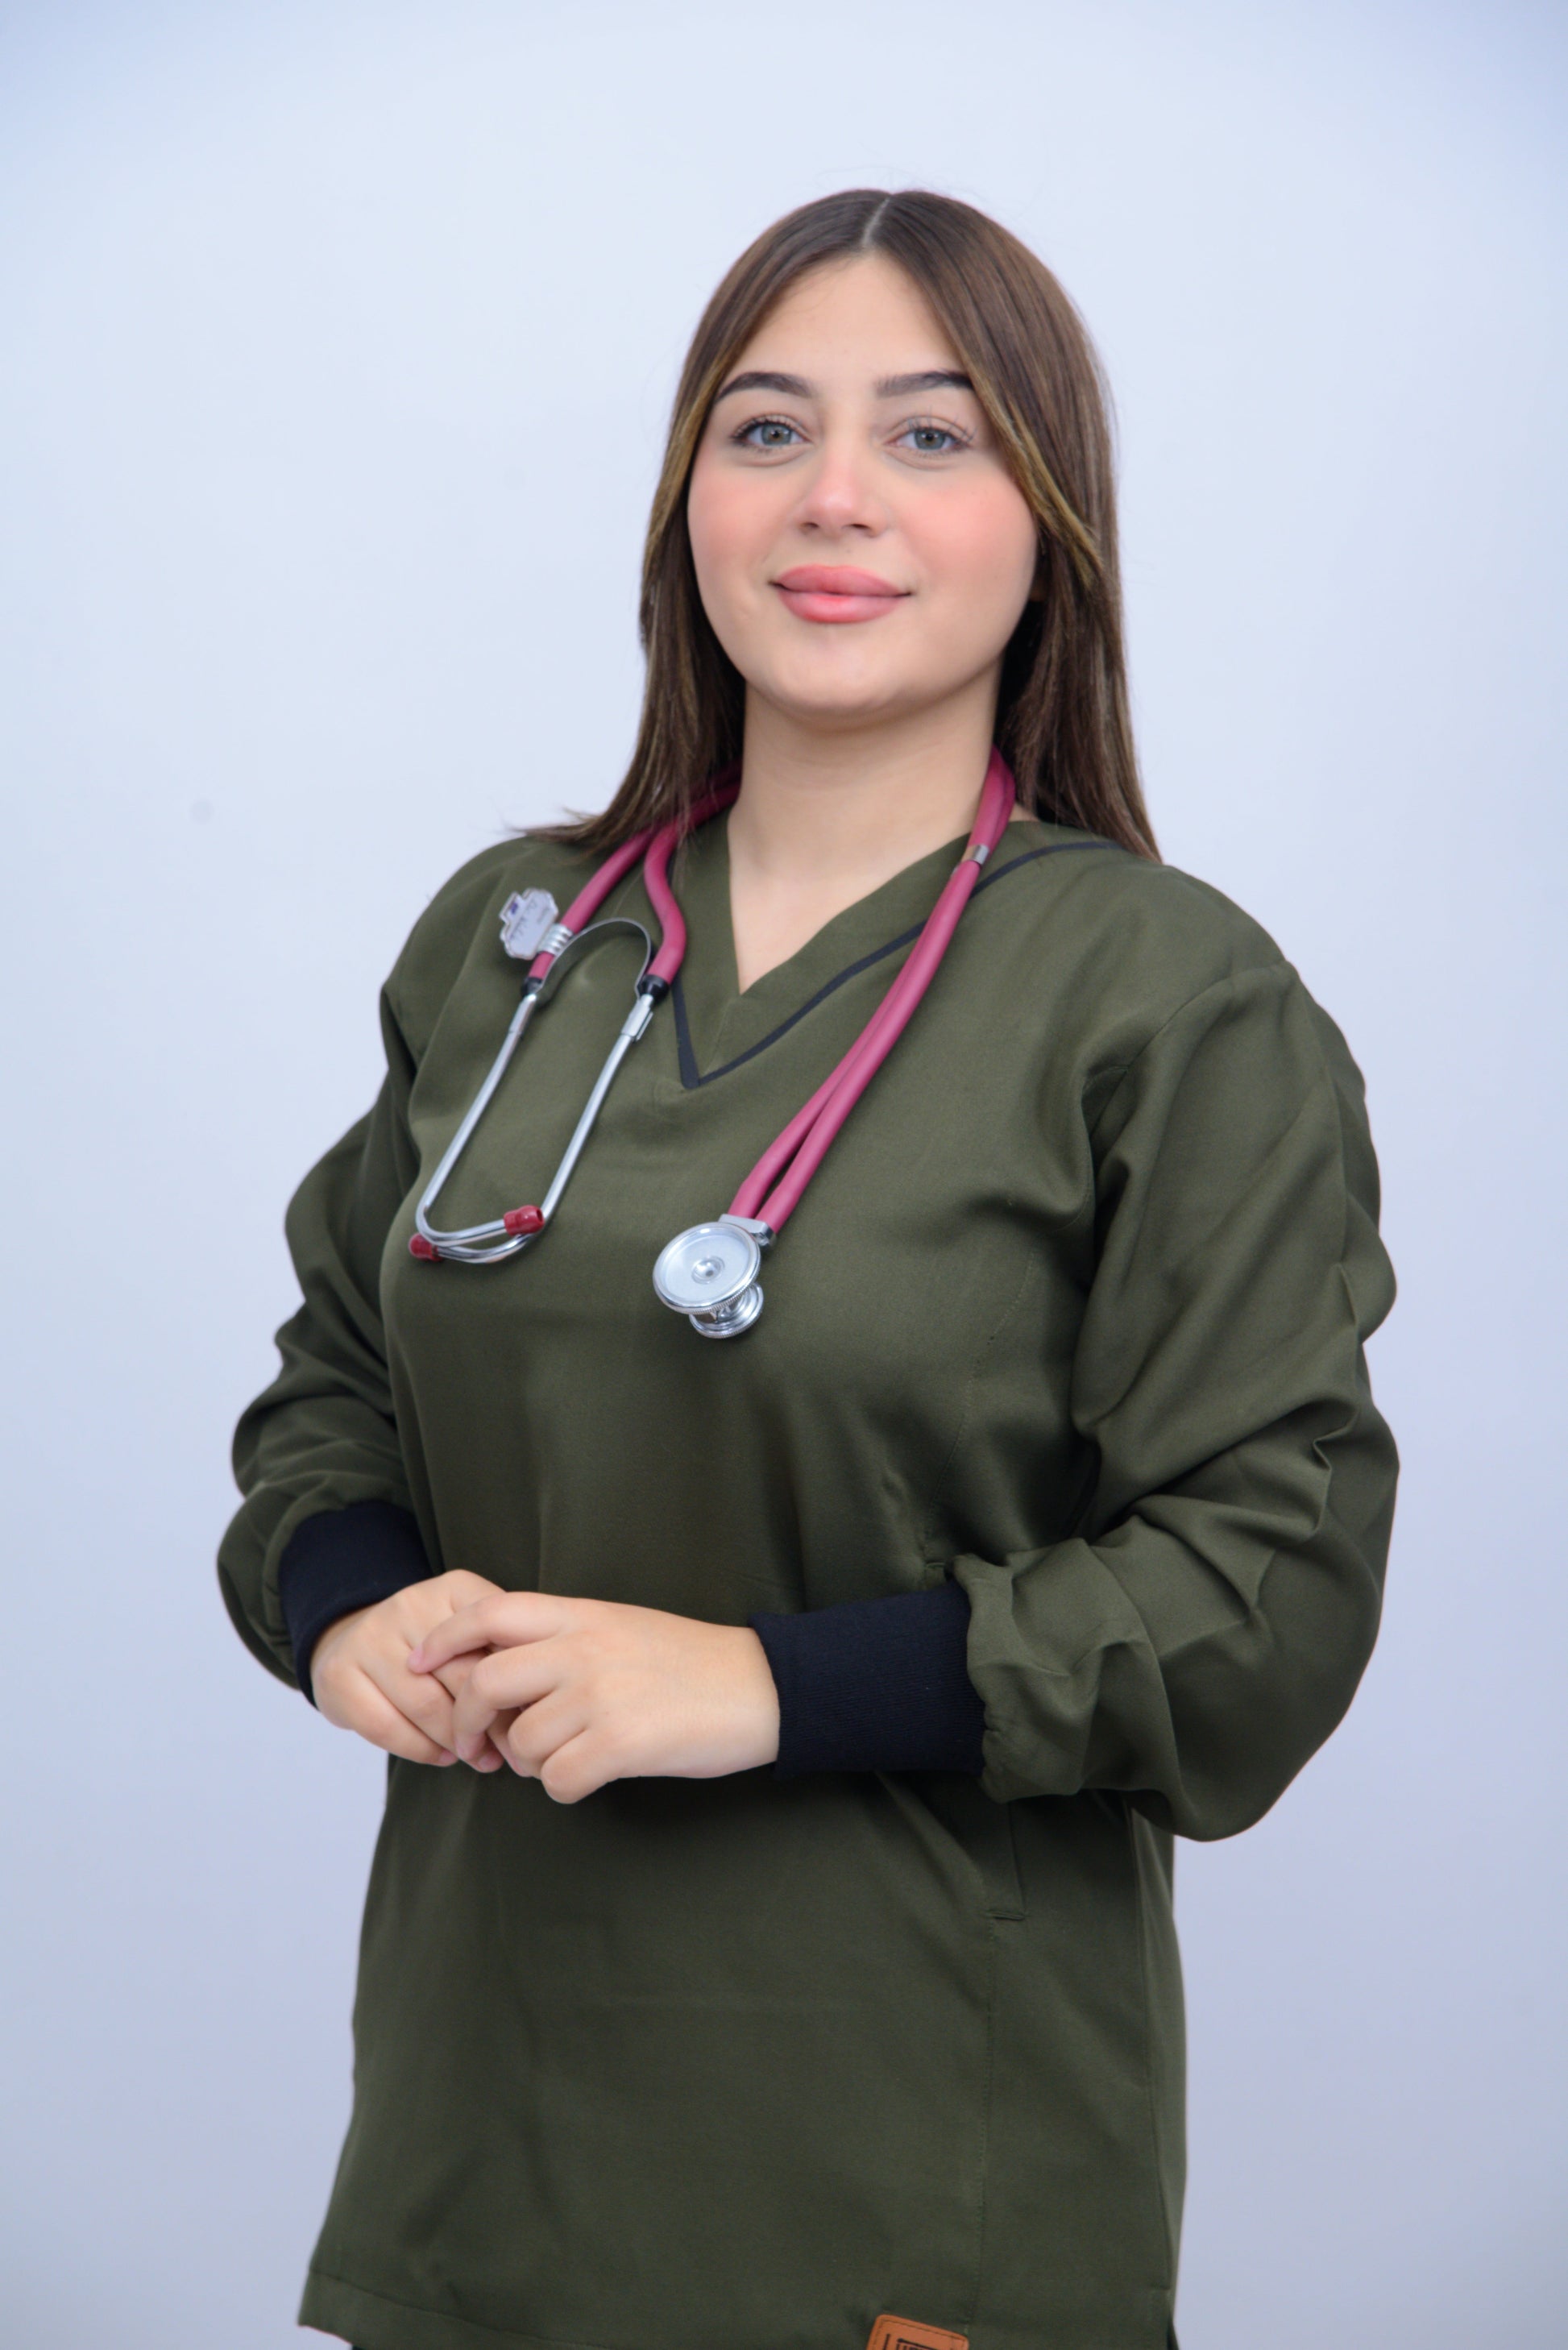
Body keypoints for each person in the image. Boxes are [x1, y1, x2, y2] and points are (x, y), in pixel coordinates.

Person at [220, 187, 1397, 2350]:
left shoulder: (1168, 1001)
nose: (832, 495)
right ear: (687, 500)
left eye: (931, 436)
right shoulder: (517, 945)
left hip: (904, 2172)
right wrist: (348, 1601)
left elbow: (1262, 1599)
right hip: (473, 2154)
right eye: (764, 429)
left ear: (1051, 524)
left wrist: (762, 1686)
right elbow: (332, 1391)